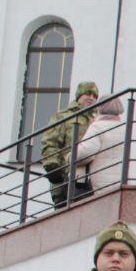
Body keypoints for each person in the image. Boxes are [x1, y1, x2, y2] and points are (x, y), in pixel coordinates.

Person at [41, 80, 98, 208]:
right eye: (88, 94)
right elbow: (50, 142)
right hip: (65, 176)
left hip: (91, 178)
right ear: (79, 96)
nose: (91, 98)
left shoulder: (98, 119)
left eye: (94, 96)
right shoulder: (63, 117)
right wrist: (53, 167)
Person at [75, 95, 126, 194]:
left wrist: (70, 157)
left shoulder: (97, 126)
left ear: (100, 107)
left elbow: (85, 154)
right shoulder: (125, 127)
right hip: (121, 179)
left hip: (102, 181)